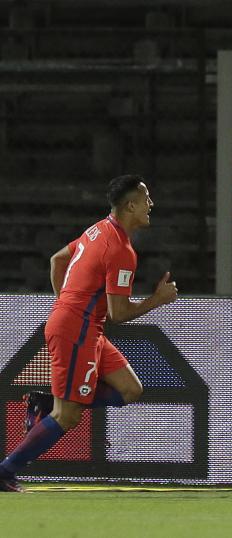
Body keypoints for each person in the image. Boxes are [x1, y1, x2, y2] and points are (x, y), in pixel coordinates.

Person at [0, 175, 178, 492]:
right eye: (146, 198)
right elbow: (118, 313)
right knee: (67, 416)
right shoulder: (121, 249)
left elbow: (58, 260)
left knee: (130, 389)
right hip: (77, 330)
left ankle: (48, 399)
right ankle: (5, 470)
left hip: (84, 327)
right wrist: (156, 300)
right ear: (131, 205)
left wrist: (67, 301)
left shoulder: (97, 230)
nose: (151, 204)